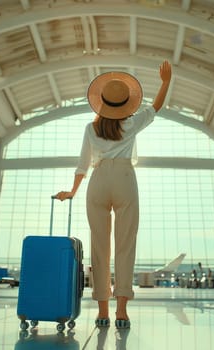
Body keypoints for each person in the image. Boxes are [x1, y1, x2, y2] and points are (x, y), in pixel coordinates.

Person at [55, 60, 172, 329]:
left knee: (100, 247)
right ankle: (122, 311)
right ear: (126, 104)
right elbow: (156, 107)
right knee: (125, 245)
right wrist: (165, 82)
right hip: (124, 179)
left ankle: (102, 312)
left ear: (102, 103)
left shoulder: (90, 128)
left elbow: (82, 164)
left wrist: (72, 192)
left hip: (97, 181)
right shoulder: (131, 124)